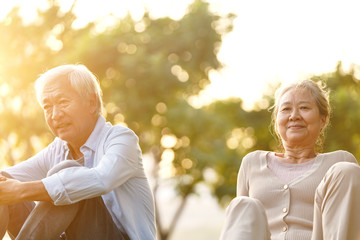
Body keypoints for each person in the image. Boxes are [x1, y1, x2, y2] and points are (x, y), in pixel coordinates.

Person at [0, 64, 156, 239]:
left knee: (70, 176)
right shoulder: (57, 148)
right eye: (47, 107)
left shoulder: (121, 139)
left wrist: (21, 190)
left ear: (91, 102)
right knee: (3, 186)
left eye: (62, 102)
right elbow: (8, 177)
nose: (55, 115)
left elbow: (101, 179)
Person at [219, 79, 360, 240]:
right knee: (243, 205)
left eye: (304, 108)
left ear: (323, 119)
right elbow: (241, 227)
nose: (294, 116)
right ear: (277, 121)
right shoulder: (251, 163)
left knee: (346, 170)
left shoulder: (340, 162)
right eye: (286, 109)